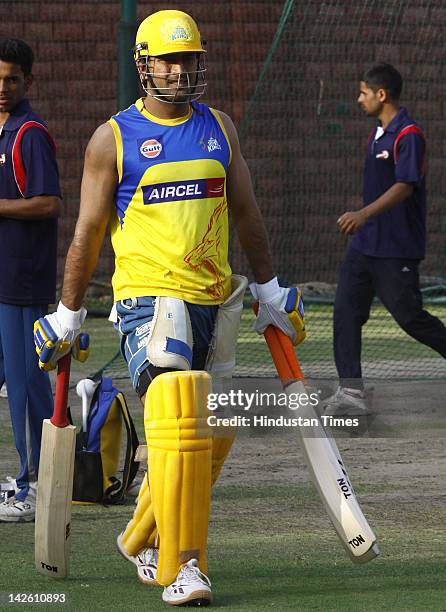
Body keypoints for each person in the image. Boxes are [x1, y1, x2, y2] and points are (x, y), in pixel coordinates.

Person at [33, 10, 305, 608]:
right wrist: (68, 314)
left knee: (216, 431)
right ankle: (184, 566)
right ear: (144, 65)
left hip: (216, 298)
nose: (182, 72)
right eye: (170, 61)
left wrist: (269, 289)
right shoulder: (114, 137)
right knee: (179, 416)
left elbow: (248, 213)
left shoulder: (220, 129)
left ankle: (139, 537)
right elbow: (86, 231)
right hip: (149, 303)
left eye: (190, 61)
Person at [325, 62, 446, 416]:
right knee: (345, 312)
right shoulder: (377, 133)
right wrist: (364, 224)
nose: (358, 99)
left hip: (396, 249)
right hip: (364, 248)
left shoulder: (410, 135)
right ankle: (352, 393)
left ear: (382, 94)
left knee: (410, 318)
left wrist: (363, 214)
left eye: (363, 92)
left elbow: (405, 187)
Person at [0, 38, 61, 522]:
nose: (3, 89)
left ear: (28, 81)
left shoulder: (29, 133)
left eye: (12, 80)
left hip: (21, 284)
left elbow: (48, 203)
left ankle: (36, 485)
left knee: (26, 392)